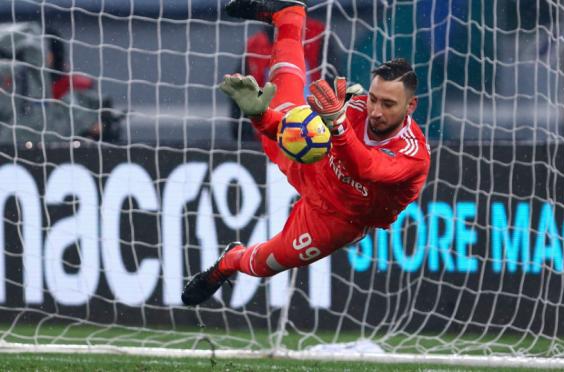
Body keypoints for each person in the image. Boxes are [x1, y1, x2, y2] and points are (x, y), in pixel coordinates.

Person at [181, 0, 430, 306]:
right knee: (281, 106)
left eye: (388, 105)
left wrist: (337, 123)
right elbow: (291, 129)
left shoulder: (413, 153)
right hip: (316, 164)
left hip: (338, 218)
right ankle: (289, 17)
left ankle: (228, 262)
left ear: (410, 106)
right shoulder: (354, 107)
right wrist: (260, 117)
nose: (376, 111)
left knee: (265, 264)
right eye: (374, 99)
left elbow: (366, 168)